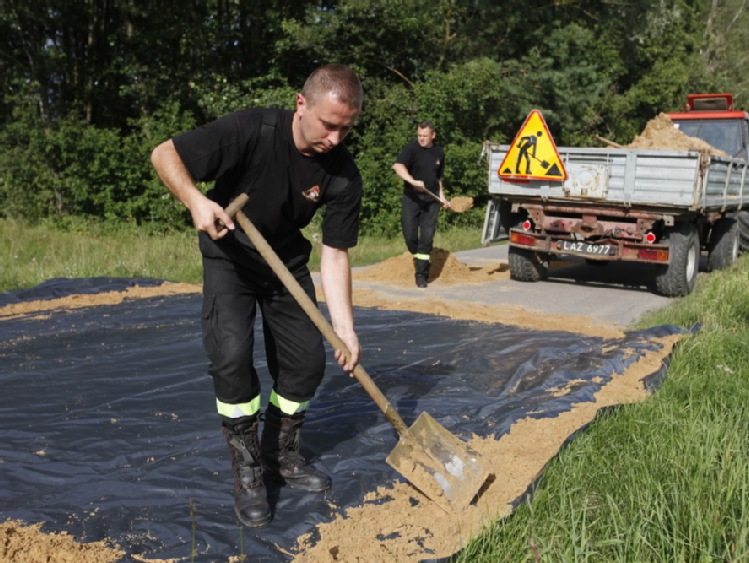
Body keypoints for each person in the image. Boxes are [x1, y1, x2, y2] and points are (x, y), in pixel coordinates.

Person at [150, 64, 363, 528]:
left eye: (346, 128)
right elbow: (164, 153)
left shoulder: (343, 174)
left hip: (284, 265)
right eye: (329, 125)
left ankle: (279, 454)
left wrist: (344, 328)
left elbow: (335, 255)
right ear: (301, 104)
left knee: (307, 363)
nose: (335, 138)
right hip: (230, 256)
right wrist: (195, 200)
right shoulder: (251, 130)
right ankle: (247, 468)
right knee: (230, 356)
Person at [391, 121, 449, 288]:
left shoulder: (439, 152)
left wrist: (442, 197)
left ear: (433, 135)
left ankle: (422, 275)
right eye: (419, 135)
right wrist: (412, 181)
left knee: (427, 236)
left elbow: (438, 179)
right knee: (410, 236)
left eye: (424, 136)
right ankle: (419, 257)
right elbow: (398, 166)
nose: (421, 139)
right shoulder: (411, 149)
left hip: (431, 202)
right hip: (412, 199)